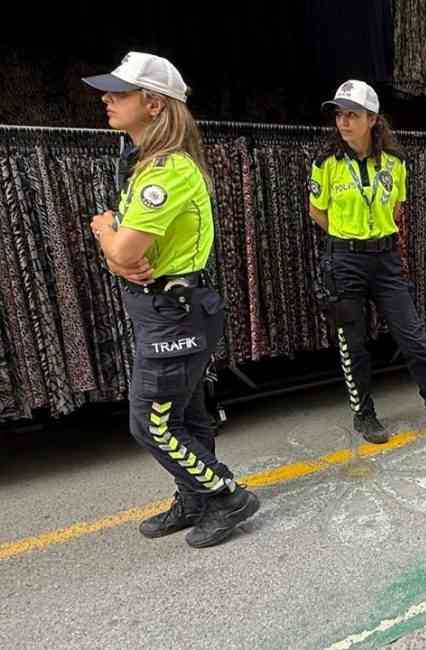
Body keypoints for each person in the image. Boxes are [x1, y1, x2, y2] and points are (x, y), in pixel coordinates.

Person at [84, 52, 259, 548]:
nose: (107, 99)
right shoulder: (144, 166)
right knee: (184, 416)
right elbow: (125, 258)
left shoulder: (167, 173)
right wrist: (119, 254)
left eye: (120, 92)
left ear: (155, 104)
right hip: (165, 309)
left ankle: (226, 495)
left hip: (173, 313)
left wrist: (104, 230)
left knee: (150, 423)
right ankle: (195, 497)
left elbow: (123, 250)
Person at [309, 80, 426, 442]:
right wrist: (348, 235)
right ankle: (364, 415)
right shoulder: (326, 163)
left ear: (373, 119)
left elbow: (396, 208)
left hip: (385, 258)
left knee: (414, 338)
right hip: (343, 259)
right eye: (339, 114)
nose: (344, 122)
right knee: (354, 343)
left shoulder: (396, 164)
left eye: (352, 115)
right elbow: (317, 212)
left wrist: (374, 234)